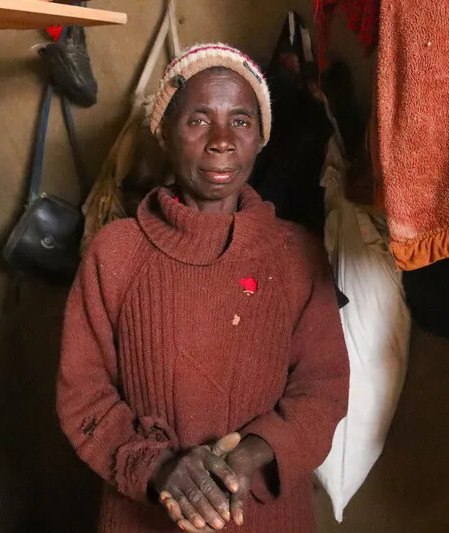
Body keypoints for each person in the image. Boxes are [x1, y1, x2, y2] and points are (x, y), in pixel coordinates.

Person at [57, 43, 350, 533]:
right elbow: (83, 395)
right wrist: (159, 467)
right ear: (166, 135)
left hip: (267, 519)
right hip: (141, 519)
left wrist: (251, 457)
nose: (221, 140)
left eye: (240, 121)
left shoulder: (296, 254)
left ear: (260, 138)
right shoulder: (116, 253)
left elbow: (322, 389)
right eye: (198, 120)